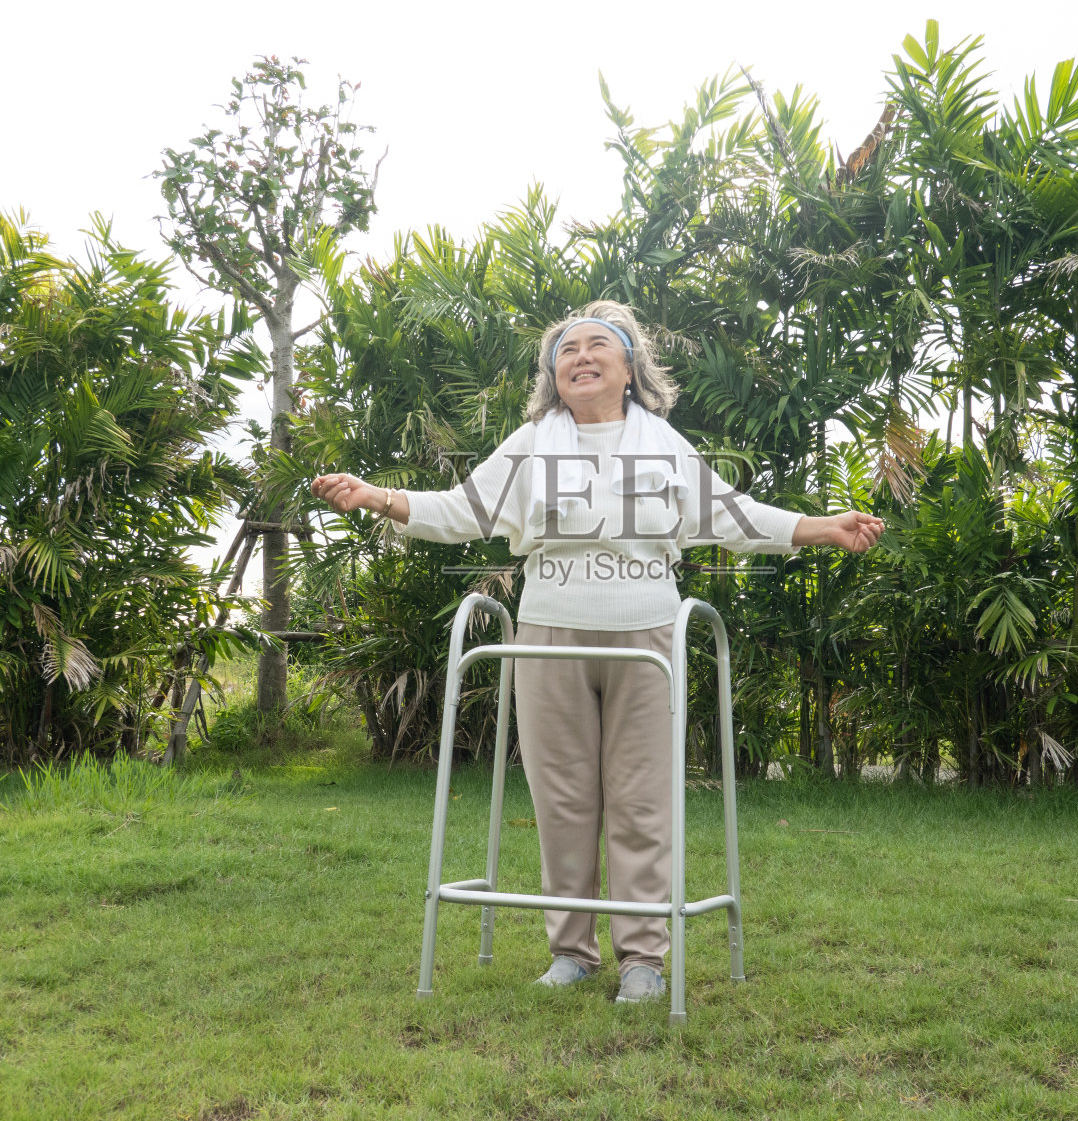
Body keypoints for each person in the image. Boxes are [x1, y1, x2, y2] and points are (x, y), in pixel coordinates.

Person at [310, 301, 883, 1004]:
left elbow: (732, 517)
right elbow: (463, 510)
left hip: (648, 636)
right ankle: (571, 953)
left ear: (629, 367)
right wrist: (376, 496)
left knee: (642, 800)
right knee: (563, 799)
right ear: (553, 373)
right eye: (566, 349)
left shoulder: (663, 442)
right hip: (548, 633)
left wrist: (821, 527)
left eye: (596, 346)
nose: (580, 356)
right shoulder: (529, 443)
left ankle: (643, 958)